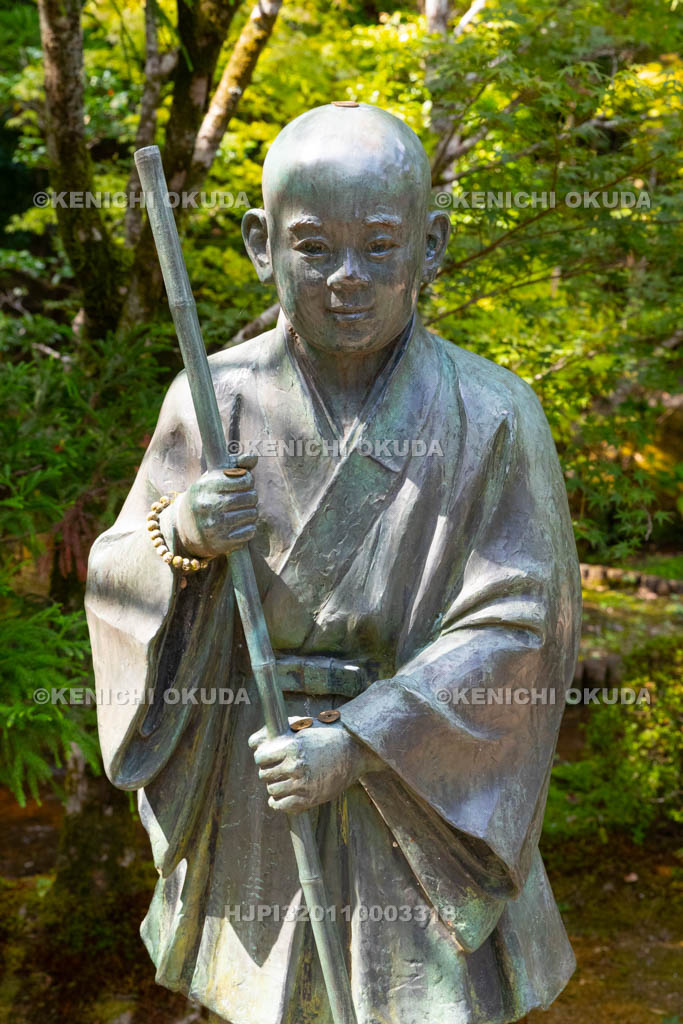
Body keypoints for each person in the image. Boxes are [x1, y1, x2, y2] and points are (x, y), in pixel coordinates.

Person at [85, 102, 581, 1024]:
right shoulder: (217, 398)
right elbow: (117, 573)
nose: (347, 279)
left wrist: (355, 743)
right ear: (260, 244)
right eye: (313, 248)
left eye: (379, 247)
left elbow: (523, 625)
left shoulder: (493, 414)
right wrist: (182, 532)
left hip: (415, 800)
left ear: (429, 246)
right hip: (261, 773)